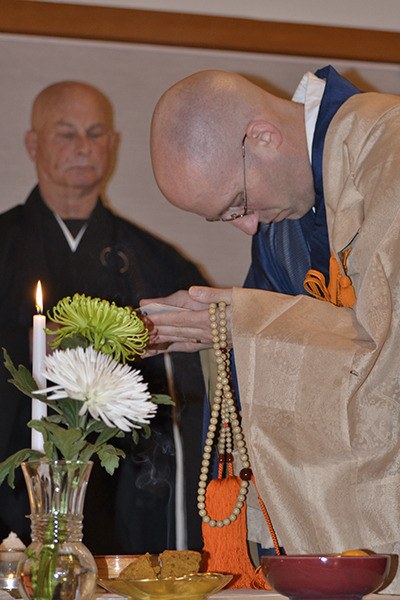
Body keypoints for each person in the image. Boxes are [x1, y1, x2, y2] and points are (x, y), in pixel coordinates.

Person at [142, 67, 400, 591]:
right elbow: (268, 380)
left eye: (235, 203)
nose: (247, 226)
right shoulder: (283, 224)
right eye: (225, 218)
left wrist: (250, 322)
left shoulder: (388, 152)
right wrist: (212, 327)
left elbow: (387, 351)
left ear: (262, 136)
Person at [0, 80, 208, 555]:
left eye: (96, 134)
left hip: (126, 495)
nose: (84, 148)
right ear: (33, 144)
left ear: (112, 146)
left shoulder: (158, 265)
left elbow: (186, 391)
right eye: (66, 134)